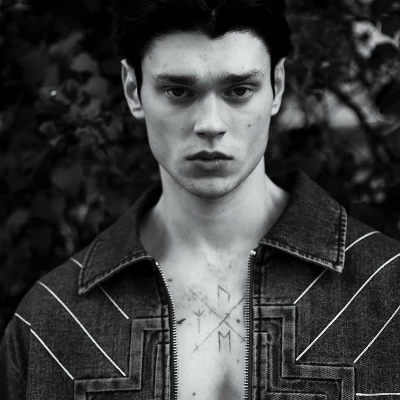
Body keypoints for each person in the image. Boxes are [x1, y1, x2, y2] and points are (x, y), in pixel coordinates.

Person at [1, 0, 400, 398]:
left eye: (239, 90)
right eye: (178, 91)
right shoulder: (50, 324)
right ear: (133, 90)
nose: (210, 124)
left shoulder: (389, 292)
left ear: (277, 87)